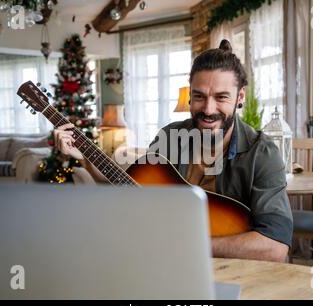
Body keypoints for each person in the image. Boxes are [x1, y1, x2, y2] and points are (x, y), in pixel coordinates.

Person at [53, 39, 293, 263]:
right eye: (199, 96)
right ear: (189, 95)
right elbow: (132, 188)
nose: (208, 110)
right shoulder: (169, 137)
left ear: (240, 97)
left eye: (221, 97)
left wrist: (189, 245)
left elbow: (275, 247)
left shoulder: (262, 153)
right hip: (167, 265)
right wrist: (84, 156)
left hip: (238, 274)